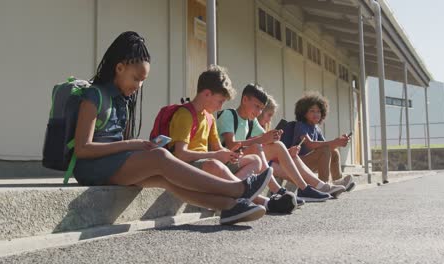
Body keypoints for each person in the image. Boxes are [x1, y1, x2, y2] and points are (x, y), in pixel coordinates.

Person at [73, 31, 271, 225]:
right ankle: (238, 189)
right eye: (136, 78)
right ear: (119, 68)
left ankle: (230, 206)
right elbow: (82, 149)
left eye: (143, 81)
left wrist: (136, 147)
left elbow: (118, 145)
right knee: (161, 157)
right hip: (92, 168)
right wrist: (131, 144)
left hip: (113, 164)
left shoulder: (122, 101)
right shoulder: (94, 96)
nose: (139, 85)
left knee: (165, 179)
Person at [168, 65, 297, 214]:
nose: (221, 106)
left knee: (254, 159)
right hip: (188, 166)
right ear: (207, 94)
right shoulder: (185, 114)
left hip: (207, 163)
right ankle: (265, 202)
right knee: (215, 164)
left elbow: (218, 148)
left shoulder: (209, 117)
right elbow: (180, 154)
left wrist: (230, 154)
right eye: (220, 101)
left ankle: (241, 196)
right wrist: (215, 155)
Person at [217, 84, 346, 201]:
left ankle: (309, 188)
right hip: (229, 161)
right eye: (256, 106)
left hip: (248, 159)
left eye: (261, 109)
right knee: (258, 146)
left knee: (279, 146)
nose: (258, 112)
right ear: (245, 100)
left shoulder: (252, 121)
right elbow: (232, 145)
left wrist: (276, 142)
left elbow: (266, 141)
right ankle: (282, 190)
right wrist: (263, 139)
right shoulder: (229, 115)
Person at [292, 92, 355, 191]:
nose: (316, 114)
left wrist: (339, 142)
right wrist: (334, 142)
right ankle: (323, 185)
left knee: (334, 152)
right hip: (299, 162)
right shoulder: (301, 125)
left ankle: (337, 181)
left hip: (310, 162)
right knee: (326, 149)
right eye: (312, 111)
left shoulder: (316, 128)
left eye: (318, 111)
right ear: (303, 112)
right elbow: (310, 144)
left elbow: (327, 148)